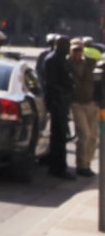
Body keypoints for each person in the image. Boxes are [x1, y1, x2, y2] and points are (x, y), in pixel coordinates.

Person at [44, 34, 76, 180]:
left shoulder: (62, 60)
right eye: (66, 46)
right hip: (57, 102)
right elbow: (51, 83)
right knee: (58, 137)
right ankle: (57, 168)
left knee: (61, 136)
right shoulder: (52, 60)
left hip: (63, 101)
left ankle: (58, 166)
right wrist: (62, 95)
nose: (68, 49)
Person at [68, 38, 98, 177]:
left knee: (93, 137)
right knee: (84, 134)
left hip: (91, 103)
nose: (77, 53)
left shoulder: (91, 64)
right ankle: (81, 165)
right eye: (75, 50)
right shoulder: (67, 64)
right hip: (77, 103)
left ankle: (87, 163)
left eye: (79, 50)